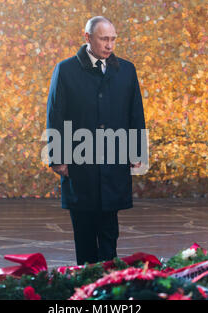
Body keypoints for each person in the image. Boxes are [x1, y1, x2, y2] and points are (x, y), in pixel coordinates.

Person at [45, 16, 146, 265]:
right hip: (80, 162)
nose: (109, 45)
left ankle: (108, 283)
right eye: (104, 39)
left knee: (110, 228)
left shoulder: (126, 70)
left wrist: (137, 153)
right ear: (87, 38)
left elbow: (136, 113)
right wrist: (58, 159)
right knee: (84, 229)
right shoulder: (66, 70)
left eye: (113, 39)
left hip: (114, 160)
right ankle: (86, 285)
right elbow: (55, 114)